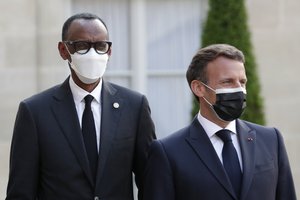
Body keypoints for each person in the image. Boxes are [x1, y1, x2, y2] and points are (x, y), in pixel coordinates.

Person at [6, 12, 156, 200]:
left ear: (109, 51)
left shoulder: (134, 107)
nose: (92, 54)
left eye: (101, 46)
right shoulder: (35, 112)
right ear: (63, 50)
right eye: (82, 46)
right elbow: (20, 192)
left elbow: (152, 182)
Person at [142, 44, 296, 200]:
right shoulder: (168, 152)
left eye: (242, 82)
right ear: (198, 88)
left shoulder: (271, 140)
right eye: (227, 82)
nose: (239, 90)